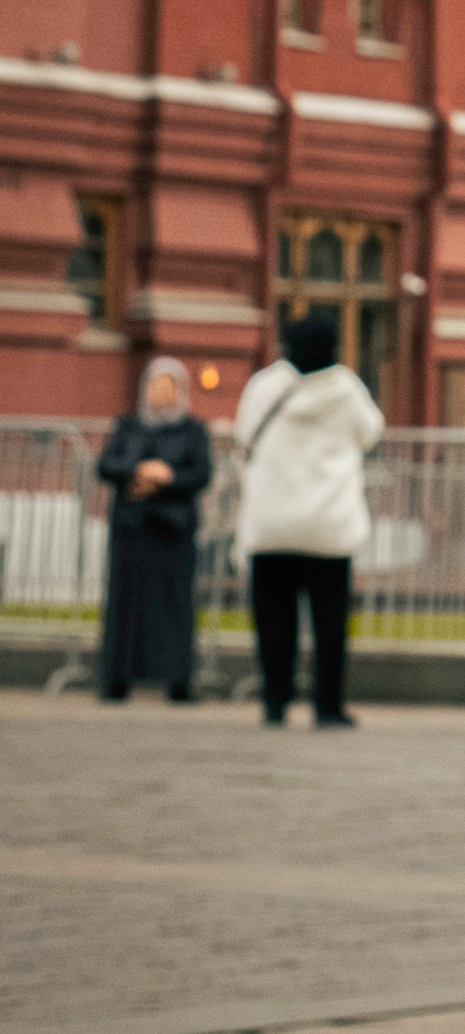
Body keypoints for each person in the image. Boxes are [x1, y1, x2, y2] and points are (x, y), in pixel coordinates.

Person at [235, 309, 384, 730]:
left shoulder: (266, 386)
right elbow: (371, 431)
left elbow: (244, 434)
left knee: (273, 620)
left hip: (271, 524)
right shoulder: (345, 387)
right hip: (328, 526)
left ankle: (275, 700)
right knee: (330, 624)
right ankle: (327, 705)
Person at [95, 359, 212, 704]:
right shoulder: (128, 426)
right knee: (124, 604)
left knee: (174, 606)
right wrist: (140, 471)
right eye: (155, 385)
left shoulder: (192, 431)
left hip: (173, 529)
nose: (160, 392)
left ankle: (178, 679)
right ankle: (118, 678)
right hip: (132, 528)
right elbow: (107, 464)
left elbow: (201, 473)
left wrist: (167, 476)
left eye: (168, 386)